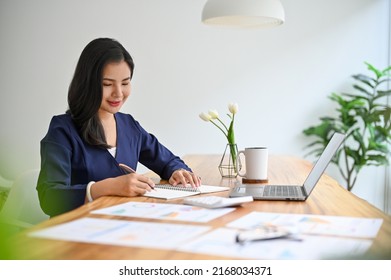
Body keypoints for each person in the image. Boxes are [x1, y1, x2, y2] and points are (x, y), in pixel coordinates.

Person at [37, 38, 201, 217]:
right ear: (88, 83)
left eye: (125, 83)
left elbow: (167, 160)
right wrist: (103, 188)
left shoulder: (129, 126)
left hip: (122, 225)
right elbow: (49, 197)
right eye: (107, 84)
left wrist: (177, 171)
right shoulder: (62, 130)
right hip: (76, 233)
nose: (118, 93)